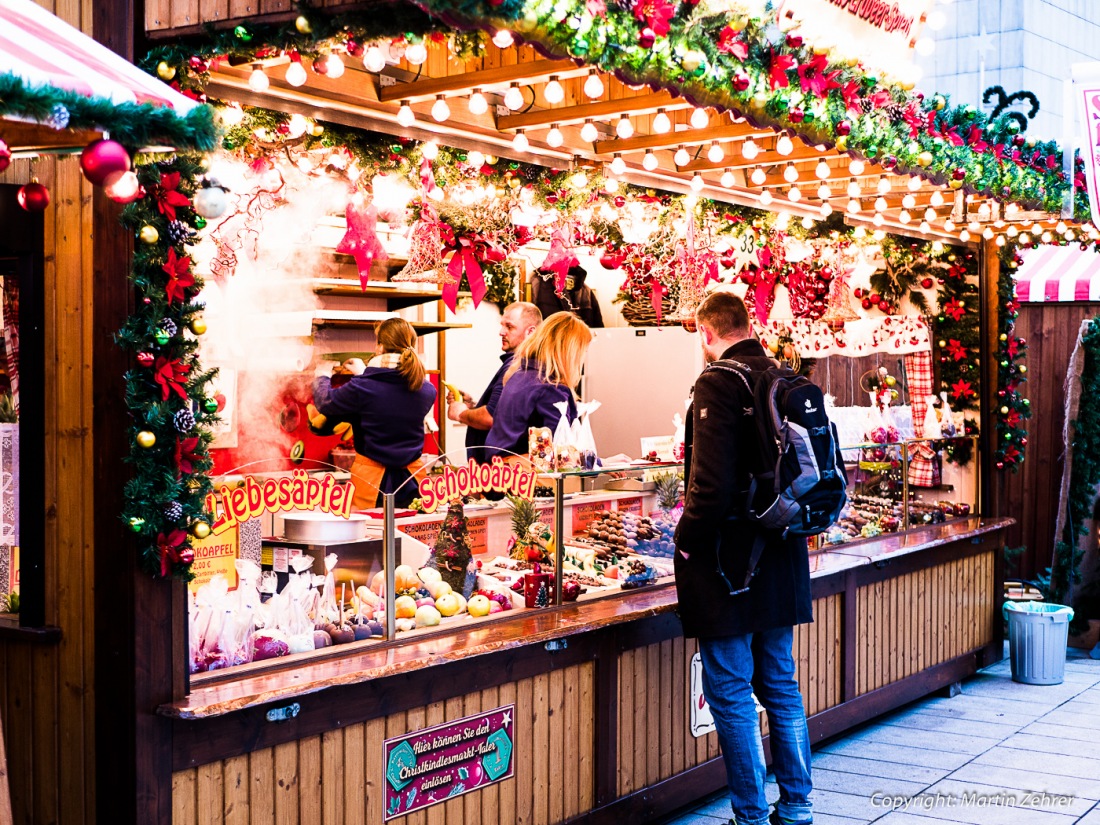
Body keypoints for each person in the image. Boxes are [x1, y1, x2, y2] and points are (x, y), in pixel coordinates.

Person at [673, 292, 814, 825]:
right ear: (747, 325)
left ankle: (751, 816)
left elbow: (708, 488)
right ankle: (797, 806)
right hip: (782, 553)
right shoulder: (781, 377)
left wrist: (684, 542)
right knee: (779, 681)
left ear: (705, 334)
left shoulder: (717, 381)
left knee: (731, 690)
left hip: (730, 565)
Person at [312, 317, 436, 509]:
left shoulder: (362, 389)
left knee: (373, 537)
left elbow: (326, 402)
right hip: (413, 483)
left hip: (372, 485)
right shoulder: (427, 390)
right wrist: (364, 375)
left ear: (380, 347)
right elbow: (388, 401)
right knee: (410, 536)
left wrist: (322, 375)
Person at [484, 311, 592, 461]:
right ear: (570, 352)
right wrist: (597, 463)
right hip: (527, 473)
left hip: (499, 470)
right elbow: (561, 449)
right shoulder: (551, 388)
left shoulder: (519, 374)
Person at [445, 302, 542, 461]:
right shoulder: (522, 365)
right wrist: (473, 407)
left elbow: (491, 417)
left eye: (509, 327)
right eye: (502, 325)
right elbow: (506, 412)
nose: (501, 332)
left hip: (501, 470)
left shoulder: (518, 367)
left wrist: (461, 413)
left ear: (530, 332)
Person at [531, 265, 604, 328]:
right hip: (552, 341)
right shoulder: (541, 285)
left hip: (580, 341)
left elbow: (598, 324)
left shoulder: (586, 292)